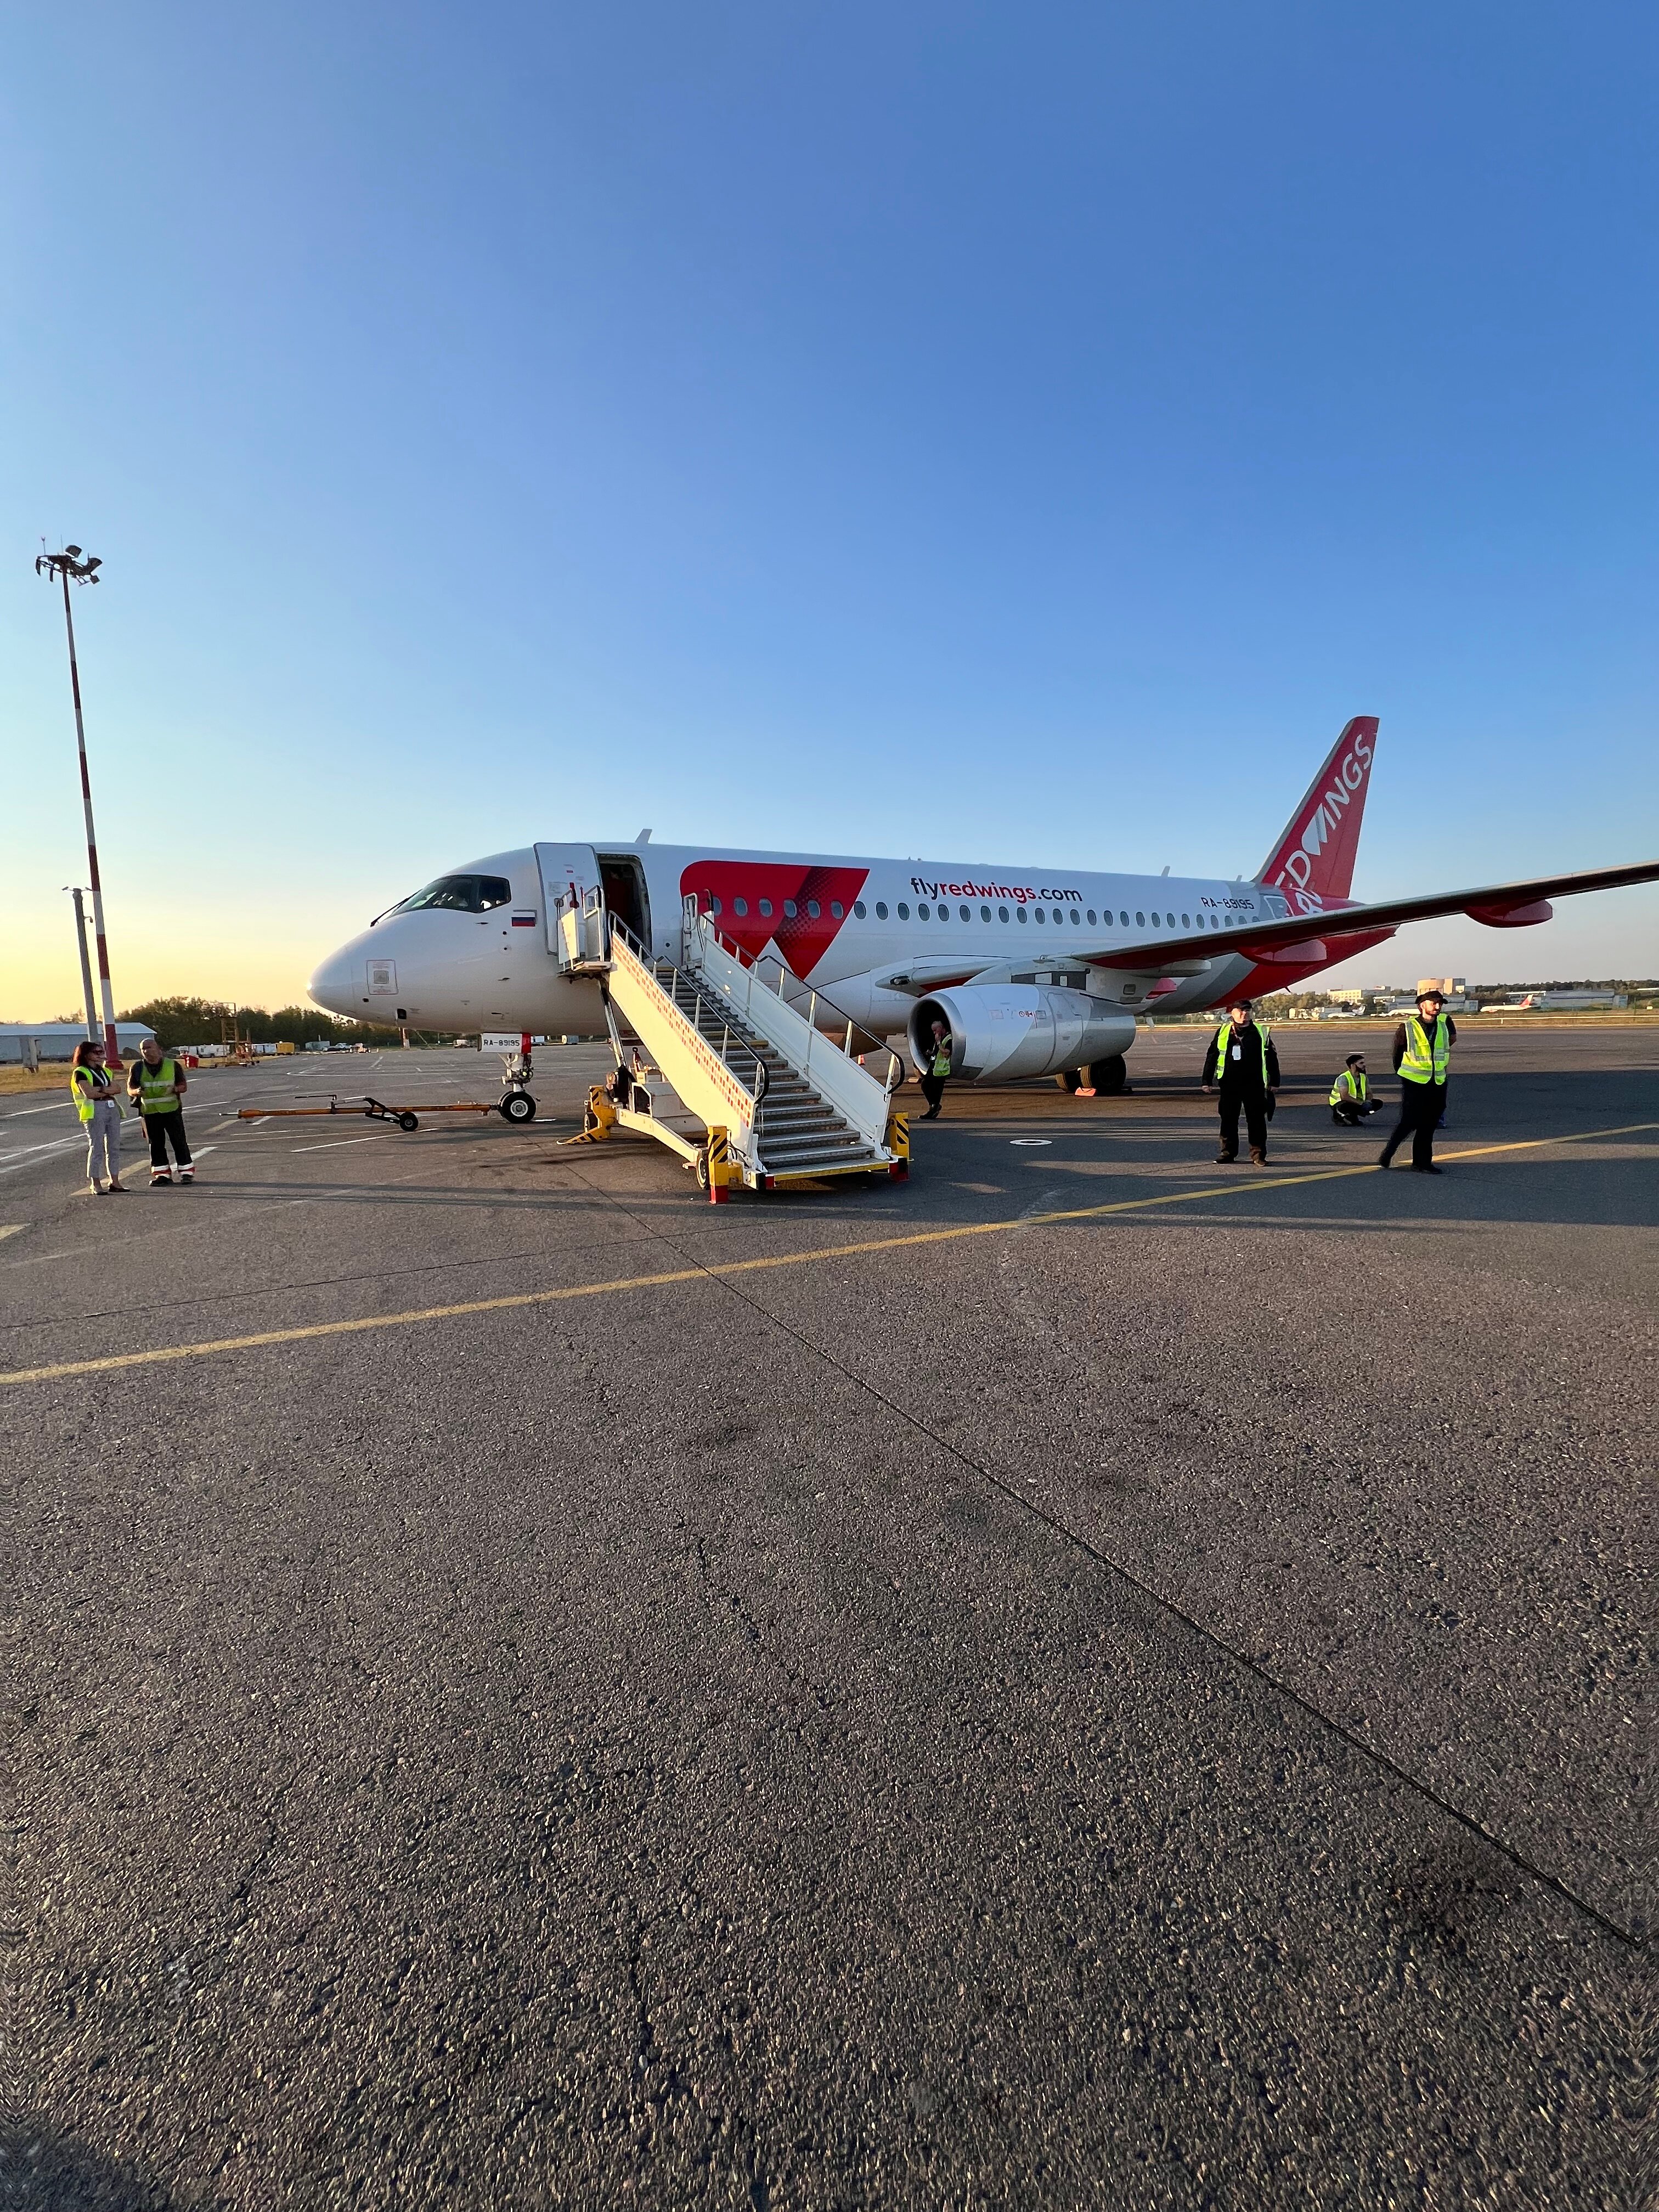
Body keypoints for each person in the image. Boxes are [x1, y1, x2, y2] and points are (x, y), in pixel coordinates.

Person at [1380, 986, 1457, 1173]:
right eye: (1434, 1003)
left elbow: (1451, 1040)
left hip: (1437, 1080)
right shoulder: (1407, 1027)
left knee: (1430, 1124)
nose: (1438, 1006)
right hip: (1414, 1081)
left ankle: (1422, 1162)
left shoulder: (1445, 1022)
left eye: (1440, 1004)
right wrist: (1403, 1073)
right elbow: (1397, 1054)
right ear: (1422, 1006)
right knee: (1409, 1121)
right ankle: (1388, 1153)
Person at [1203, 997, 1280, 1164]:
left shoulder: (1261, 1032)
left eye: (1248, 1010)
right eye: (1241, 1010)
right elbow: (1212, 1056)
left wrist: (1275, 1081)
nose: (1245, 1013)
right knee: (1228, 1120)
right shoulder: (1223, 1031)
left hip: (1254, 1084)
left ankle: (1258, 1156)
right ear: (1232, 1013)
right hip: (1229, 1084)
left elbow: (1272, 1058)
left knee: (1256, 1121)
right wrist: (1206, 1080)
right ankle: (1228, 1154)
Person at [128, 1036, 195, 1186]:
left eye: (149, 1047)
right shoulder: (137, 1068)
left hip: (171, 1110)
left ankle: (186, 1173)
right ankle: (162, 1175)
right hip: (149, 1112)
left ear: (159, 1049)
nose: (146, 1051)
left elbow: (183, 1086)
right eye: (143, 1049)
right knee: (156, 1144)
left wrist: (175, 1089)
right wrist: (137, 1092)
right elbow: (130, 1089)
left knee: (179, 1142)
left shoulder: (172, 1065)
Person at [70, 1039, 127, 1195]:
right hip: (94, 1110)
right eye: (97, 1052)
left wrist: (101, 1089)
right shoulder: (81, 1072)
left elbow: (118, 1089)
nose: (101, 1055)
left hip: (111, 1108)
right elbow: (89, 1093)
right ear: (86, 1055)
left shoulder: (106, 1071)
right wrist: (106, 1089)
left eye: (102, 1051)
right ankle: (95, 1183)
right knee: (97, 1147)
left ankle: (115, 1181)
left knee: (114, 1146)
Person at [1328, 1052, 1378, 1127]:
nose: (1364, 1065)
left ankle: (1352, 1117)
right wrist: (1361, 1103)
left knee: (1378, 1103)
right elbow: (1344, 1097)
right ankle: (1338, 1116)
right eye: (1361, 1063)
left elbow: (1369, 1093)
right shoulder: (1344, 1078)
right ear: (1353, 1065)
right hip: (1340, 1103)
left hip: (1356, 1101)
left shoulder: (1363, 1077)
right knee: (1346, 1106)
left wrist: (1368, 1102)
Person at [919, 1018, 952, 1120]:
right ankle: (933, 1105)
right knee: (925, 1085)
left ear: (941, 1028)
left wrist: (938, 1043)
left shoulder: (948, 1039)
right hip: (934, 1067)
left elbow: (946, 1053)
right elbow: (938, 1052)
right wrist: (930, 1053)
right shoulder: (940, 1038)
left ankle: (934, 1109)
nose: (934, 1033)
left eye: (935, 1030)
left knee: (937, 1090)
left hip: (941, 1069)